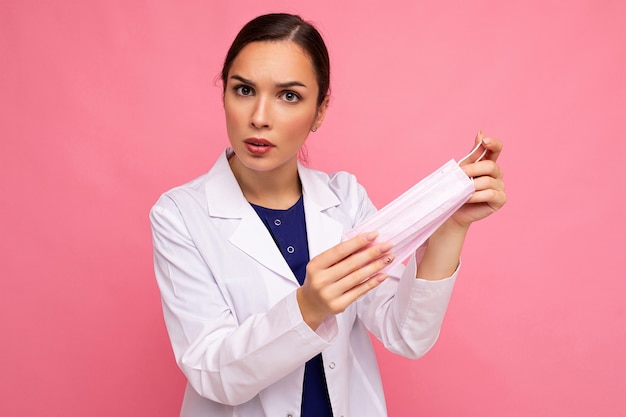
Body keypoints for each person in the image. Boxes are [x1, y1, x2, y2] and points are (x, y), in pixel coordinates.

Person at [150, 12, 506, 417]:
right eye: (244, 89)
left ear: (320, 110)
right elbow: (212, 374)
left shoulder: (345, 198)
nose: (260, 117)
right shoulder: (180, 214)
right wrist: (307, 308)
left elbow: (404, 332)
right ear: (224, 95)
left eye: (289, 96)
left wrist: (450, 227)